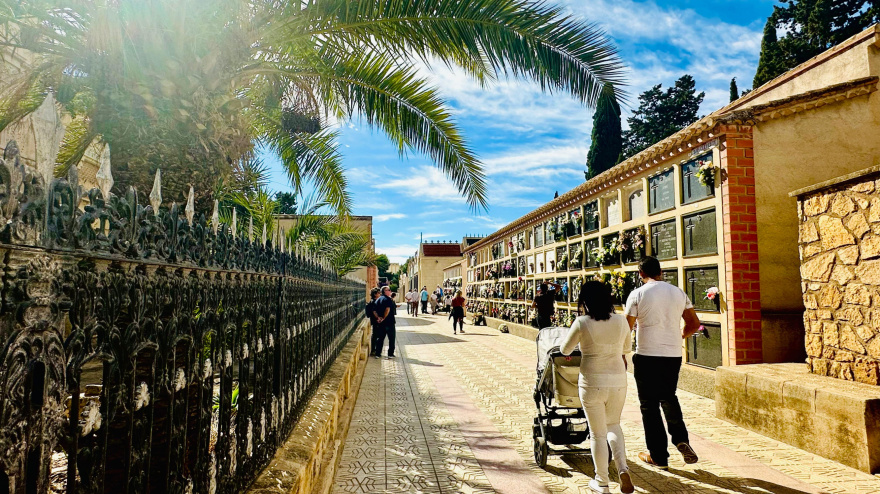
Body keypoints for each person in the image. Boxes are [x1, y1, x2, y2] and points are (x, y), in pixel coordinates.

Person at [625, 256, 702, 470]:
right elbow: (694, 323)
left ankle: (658, 456)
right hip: (672, 355)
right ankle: (680, 438)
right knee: (668, 397)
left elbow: (627, 327)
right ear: (660, 272)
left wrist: (620, 353)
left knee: (649, 406)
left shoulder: (638, 294)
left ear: (641, 273)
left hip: (647, 355)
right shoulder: (678, 292)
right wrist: (679, 336)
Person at [561, 281, 634, 494]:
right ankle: (623, 469)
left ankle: (601, 482)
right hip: (618, 381)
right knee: (614, 425)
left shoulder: (582, 322)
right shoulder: (621, 321)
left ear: (585, 300)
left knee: (597, 434)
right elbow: (627, 348)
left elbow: (565, 349)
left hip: (591, 382)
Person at [374, 286, 397, 358]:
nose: (390, 291)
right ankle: (390, 354)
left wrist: (378, 318)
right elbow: (387, 309)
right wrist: (383, 318)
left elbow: (374, 311)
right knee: (391, 338)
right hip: (389, 322)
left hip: (380, 323)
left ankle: (378, 353)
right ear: (385, 291)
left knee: (380, 338)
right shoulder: (388, 299)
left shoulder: (378, 300)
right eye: (388, 290)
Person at [365, 287, 383, 357]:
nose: (380, 294)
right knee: (376, 335)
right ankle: (374, 350)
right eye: (378, 293)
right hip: (376, 321)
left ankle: (375, 350)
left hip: (377, 320)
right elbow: (374, 312)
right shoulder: (374, 302)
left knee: (376, 335)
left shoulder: (376, 301)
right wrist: (378, 318)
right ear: (375, 294)